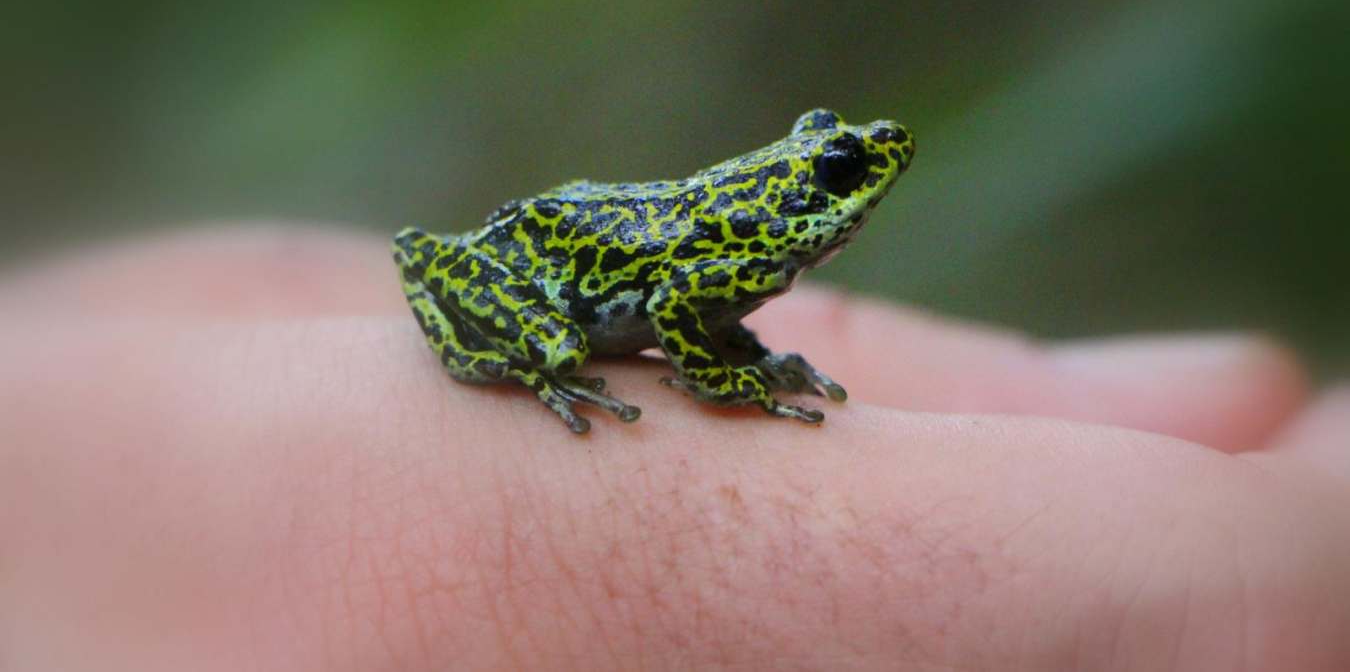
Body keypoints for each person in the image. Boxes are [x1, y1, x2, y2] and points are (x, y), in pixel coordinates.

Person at [2, 226, 1347, 670]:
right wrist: (741, 380)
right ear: (792, 205)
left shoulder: (740, 247)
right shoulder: (739, 244)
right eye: (829, 181)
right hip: (521, 276)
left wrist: (757, 366)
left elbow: (701, 331)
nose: (850, 195)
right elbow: (694, 339)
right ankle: (531, 358)